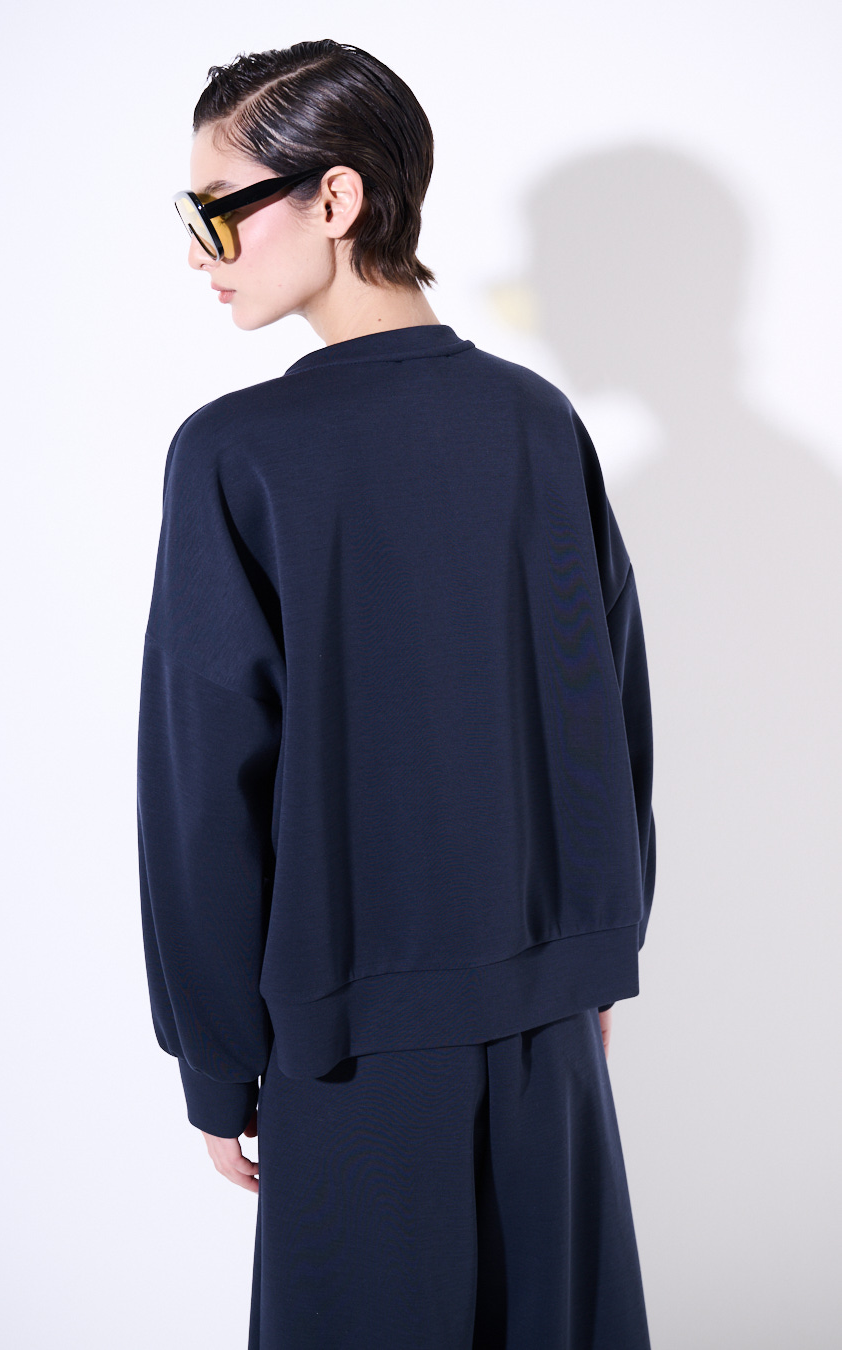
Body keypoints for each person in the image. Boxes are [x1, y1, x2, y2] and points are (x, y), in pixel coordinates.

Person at [136, 38, 656, 1350]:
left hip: (349, 1052)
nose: (199, 252)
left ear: (335, 198)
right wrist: (594, 959)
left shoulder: (236, 455)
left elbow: (207, 787)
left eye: (216, 210)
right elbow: (608, 712)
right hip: (550, 1036)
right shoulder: (534, 420)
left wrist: (218, 1059)